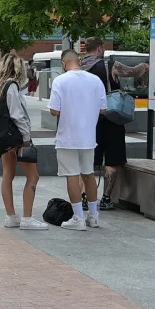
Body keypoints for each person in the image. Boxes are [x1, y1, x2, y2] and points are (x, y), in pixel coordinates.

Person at [49, 47, 106, 231]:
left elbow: (54, 110)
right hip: (89, 136)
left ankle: (78, 218)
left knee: (72, 175)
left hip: (68, 136)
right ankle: (94, 215)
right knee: (88, 174)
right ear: (79, 61)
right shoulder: (96, 81)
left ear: (64, 63)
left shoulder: (60, 81)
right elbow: (103, 109)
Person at [0, 52, 46, 230]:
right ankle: (27, 218)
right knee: (33, 176)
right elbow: (17, 115)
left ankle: (11, 216)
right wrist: (26, 139)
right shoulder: (12, 87)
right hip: (16, 138)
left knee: (8, 174)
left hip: (4, 137)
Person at [80, 38, 133, 213]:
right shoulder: (109, 65)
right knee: (112, 160)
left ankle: (84, 198)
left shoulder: (79, 68)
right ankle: (106, 199)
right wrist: (146, 67)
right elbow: (135, 72)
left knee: (89, 162)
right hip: (112, 118)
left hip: (90, 121)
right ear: (100, 48)